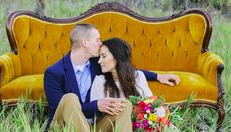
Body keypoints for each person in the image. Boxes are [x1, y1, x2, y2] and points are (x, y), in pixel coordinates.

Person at [44, 23, 180, 131]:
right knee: (70, 99)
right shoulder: (54, 72)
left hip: (92, 127)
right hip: (64, 127)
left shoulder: (96, 64)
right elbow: (60, 111)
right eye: (97, 40)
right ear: (85, 43)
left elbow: (122, 67)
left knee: (124, 105)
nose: (100, 43)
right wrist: (96, 105)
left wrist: (158, 76)